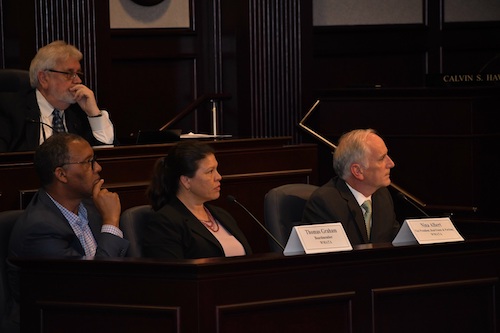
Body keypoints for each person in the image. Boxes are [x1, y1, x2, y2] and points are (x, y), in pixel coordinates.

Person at [5, 133, 129, 329]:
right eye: (89, 162)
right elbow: (91, 286)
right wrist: (111, 221)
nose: (98, 168)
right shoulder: (39, 228)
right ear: (61, 174)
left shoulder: (92, 208)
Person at [143, 141, 252, 259]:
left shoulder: (222, 215)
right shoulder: (165, 222)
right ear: (186, 181)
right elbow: (172, 274)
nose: (218, 177)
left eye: (216, 169)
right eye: (210, 171)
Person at [0, 40, 115, 152]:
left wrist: (94, 114)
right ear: (44, 78)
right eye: (69, 74)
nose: (78, 80)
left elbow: (107, 158)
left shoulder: (80, 112)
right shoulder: (10, 110)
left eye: (78, 74)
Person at [302, 128, 400, 245]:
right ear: (357, 171)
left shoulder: (382, 196)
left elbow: (395, 243)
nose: (391, 163)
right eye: (381, 158)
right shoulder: (325, 202)